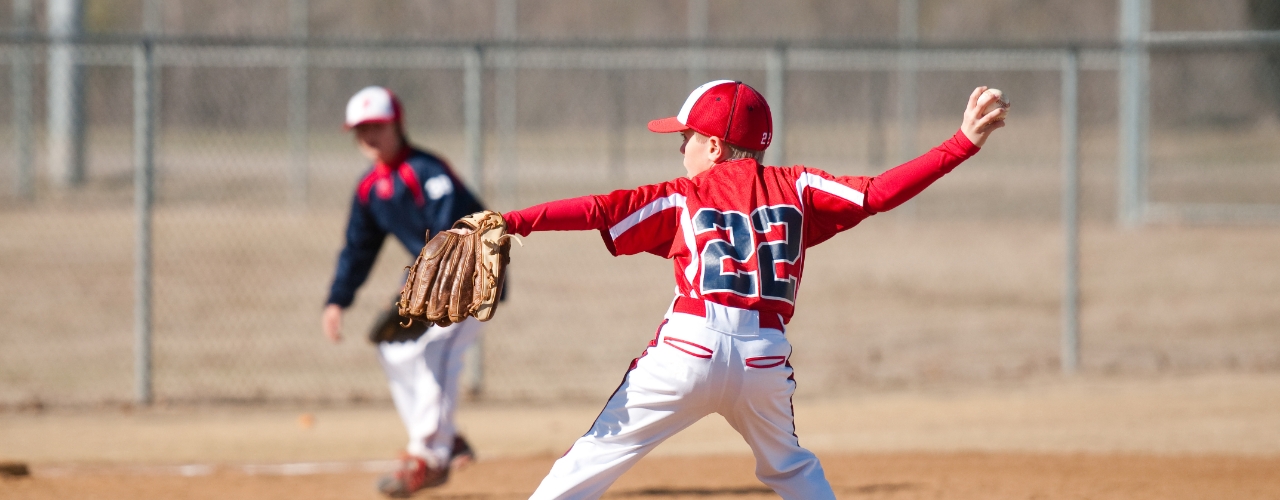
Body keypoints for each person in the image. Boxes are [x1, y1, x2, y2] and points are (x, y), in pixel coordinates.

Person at [498, 80, 1007, 499]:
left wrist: (511, 222)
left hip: (689, 349)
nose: (681, 148)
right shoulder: (799, 186)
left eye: (688, 137)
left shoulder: (683, 196)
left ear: (714, 147)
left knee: (592, 458)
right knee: (793, 471)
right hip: (764, 358)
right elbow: (877, 193)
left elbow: (599, 210)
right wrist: (960, 143)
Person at [321, 86, 488, 497]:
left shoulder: (426, 171)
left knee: (434, 351)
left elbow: (452, 231)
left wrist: (413, 283)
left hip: (474, 276)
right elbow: (357, 248)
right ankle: (445, 438)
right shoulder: (370, 189)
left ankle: (429, 457)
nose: (368, 137)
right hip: (429, 285)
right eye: (360, 129)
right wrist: (337, 300)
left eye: (376, 126)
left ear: (398, 124)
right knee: (392, 345)